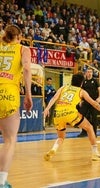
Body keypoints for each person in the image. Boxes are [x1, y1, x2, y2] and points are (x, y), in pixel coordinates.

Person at [43, 72, 100, 161]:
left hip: (58, 114)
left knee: (61, 137)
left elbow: (54, 98)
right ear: (81, 83)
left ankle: (53, 149)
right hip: (71, 113)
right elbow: (94, 104)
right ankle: (95, 154)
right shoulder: (81, 91)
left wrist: (47, 109)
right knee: (90, 127)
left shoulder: (63, 87)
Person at [0, 24, 33, 188]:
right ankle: (1, 182)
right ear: (19, 36)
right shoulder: (22, 49)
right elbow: (27, 69)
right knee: (9, 140)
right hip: (7, 93)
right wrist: (28, 94)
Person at [77, 68, 100, 137]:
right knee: (83, 116)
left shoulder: (95, 81)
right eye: (88, 72)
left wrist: (99, 97)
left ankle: (94, 133)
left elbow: (99, 89)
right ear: (86, 73)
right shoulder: (84, 81)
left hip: (93, 101)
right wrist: (80, 100)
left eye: (91, 72)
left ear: (92, 73)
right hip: (85, 101)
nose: (89, 73)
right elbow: (81, 91)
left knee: (94, 117)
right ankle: (84, 132)